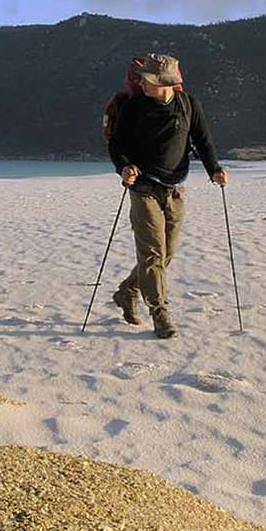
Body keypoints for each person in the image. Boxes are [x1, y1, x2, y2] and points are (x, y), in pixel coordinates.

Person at [106, 53, 227, 339]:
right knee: (152, 253)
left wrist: (215, 169)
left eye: (146, 79)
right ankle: (159, 313)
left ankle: (127, 292)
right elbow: (117, 145)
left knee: (167, 253)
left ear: (163, 83)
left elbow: (203, 141)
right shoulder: (134, 106)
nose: (141, 83)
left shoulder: (188, 105)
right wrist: (124, 167)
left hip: (175, 189)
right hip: (143, 188)